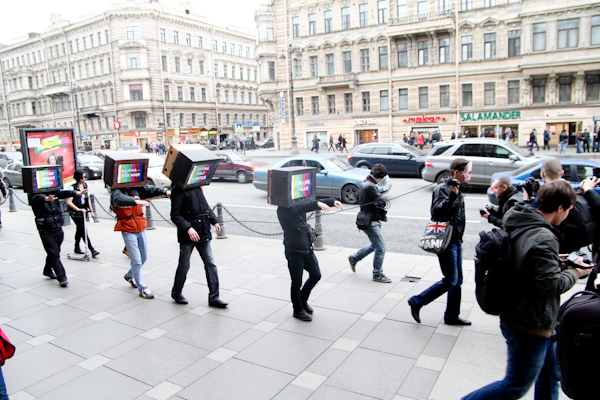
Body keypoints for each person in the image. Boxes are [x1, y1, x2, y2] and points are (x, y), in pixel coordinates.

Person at [462, 180, 591, 400]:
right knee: (515, 386)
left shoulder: (521, 220)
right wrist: (576, 273)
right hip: (529, 321)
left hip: (522, 313)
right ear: (560, 208)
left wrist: (557, 264)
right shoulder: (543, 237)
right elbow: (550, 285)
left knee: (551, 376)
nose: (569, 214)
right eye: (569, 209)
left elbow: (527, 262)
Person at [408, 158, 471, 326]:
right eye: (468, 172)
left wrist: (461, 239)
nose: (470, 175)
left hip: (455, 240)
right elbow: (437, 213)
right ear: (457, 172)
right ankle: (417, 301)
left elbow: (459, 218)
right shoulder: (442, 189)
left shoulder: (457, 188)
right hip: (446, 241)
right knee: (451, 280)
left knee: (457, 281)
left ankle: (452, 316)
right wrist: (452, 195)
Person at [277, 197, 343, 321]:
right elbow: (302, 207)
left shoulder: (295, 203)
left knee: (316, 275)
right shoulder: (283, 209)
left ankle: (303, 300)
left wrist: (331, 202)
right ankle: (298, 310)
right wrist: (316, 203)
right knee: (296, 283)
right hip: (294, 251)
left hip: (306, 247)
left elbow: (306, 204)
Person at [170, 185, 227, 307]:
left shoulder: (196, 188)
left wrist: (215, 220)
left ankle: (214, 297)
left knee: (210, 263)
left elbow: (205, 207)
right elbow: (175, 214)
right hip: (188, 234)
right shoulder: (178, 190)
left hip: (202, 231)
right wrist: (188, 228)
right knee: (184, 265)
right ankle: (176, 292)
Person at [111, 184, 171, 299]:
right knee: (137, 260)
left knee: (144, 256)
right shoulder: (116, 190)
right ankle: (142, 287)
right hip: (127, 228)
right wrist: (135, 201)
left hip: (140, 226)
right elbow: (117, 198)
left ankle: (130, 275)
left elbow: (150, 189)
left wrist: (165, 191)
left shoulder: (136, 188)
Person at [31, 186, 87, 287]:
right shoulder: (35, 194)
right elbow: (35, 198)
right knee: (54, 254)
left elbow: (62, 193)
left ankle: (47, 270)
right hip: (46, 229)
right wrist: (45, 199)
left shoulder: (54, 192)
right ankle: (62, 277)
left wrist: (76, 193)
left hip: (57, 227)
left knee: (54, 252)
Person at [348, 164, 391, 283]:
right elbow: (381, 202)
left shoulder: (364, 183)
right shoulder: (371, 186)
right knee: (381, 248)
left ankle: (354, 258)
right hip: (371, 222)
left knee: (375, 245)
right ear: (380, 177)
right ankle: (377, 274)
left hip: (368, 219)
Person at [66, 170, 99, 257]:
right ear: (78, 178)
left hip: (83, 209)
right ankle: (92, 249)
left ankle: (76, 247)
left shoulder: (84, 185)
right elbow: (69, 202)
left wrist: (91, 211)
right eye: (82, 177)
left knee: (79, 229)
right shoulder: (72, 188)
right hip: (75, 211)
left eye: (85, 177)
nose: (84, 179)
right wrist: (78, 209)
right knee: (83, 229)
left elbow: (87, 198)